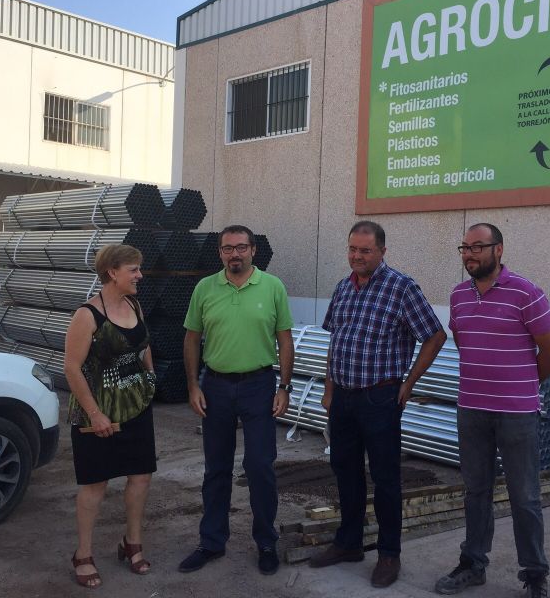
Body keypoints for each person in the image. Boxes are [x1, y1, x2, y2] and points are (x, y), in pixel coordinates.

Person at [309, 221, 446, 588]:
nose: (357, 256)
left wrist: (409, 383)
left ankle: (388, 554)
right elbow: (336, 341)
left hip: (380, 398)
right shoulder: (343, 287)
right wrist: (329, 389)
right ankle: (349, 543)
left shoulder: (402, 288)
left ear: (382, 251)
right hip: (343, 398)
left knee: (385, 478)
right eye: (352, 249)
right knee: (345, 470)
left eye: (365, 251)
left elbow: (435, 336)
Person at [435, 223, 550, 598]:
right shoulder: (458, 295)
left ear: (499, 249)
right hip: (472, 409)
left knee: (525, 495)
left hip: (516, 414)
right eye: (465, 248)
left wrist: (521, 387)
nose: (470, 254)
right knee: (475, 491)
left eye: (478, 246)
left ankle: (534, 574)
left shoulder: (526, 292)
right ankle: (473, 564)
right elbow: (465, 342)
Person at [179, 225, 294, 576]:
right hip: (215, 387)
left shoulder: (272, 287)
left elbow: (285, 340)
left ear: (253, 250)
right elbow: (191, 339)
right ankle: (212, 541)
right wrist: (193, 386)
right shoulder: (205, 288)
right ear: (220, 252)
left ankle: (266, 542)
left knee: (259, 466)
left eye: (241, 247)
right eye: (228, 248)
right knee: (216, 468)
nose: (235, 254)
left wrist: (284, 387)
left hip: (259, 385)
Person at [64, 244, 157, 588]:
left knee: (141, 477)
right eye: (133, 269)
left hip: (136, 406)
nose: (139, 275)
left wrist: (150, 376)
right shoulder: (87, 315)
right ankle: (83, 554)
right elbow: (72, 368)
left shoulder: (134, 305)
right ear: (112, 272)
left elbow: (143, 345)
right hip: (98, 413)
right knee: (95, 484)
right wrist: (95, 413)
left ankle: (132, 544)